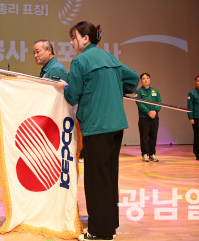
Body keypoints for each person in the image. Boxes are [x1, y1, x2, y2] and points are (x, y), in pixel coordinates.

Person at [55, 21, 139, 241]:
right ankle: (109, 224)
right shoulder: (110, 58)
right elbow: (134, 79)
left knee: (95, 180)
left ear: (85, 39)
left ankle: (99, 231)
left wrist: (63, 87)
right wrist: (116, 88)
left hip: (96, 127)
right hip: (116, 126)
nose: (72, 42)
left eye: (74, 38)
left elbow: (73, 96)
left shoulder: (80, 61)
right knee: (109, 177)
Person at [135, 72, 161, 162]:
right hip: (144, 118)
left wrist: (155, 111)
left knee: (153, 136)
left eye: (147, 78)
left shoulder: (155, 91)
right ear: (141, 81)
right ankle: (145, 154)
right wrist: (148, 112)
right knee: (144, 136)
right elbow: (139, 104)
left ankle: (152, 154)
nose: (145, 80)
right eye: (143, 78)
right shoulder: (138, 91)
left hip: (155, 117)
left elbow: (159, 102)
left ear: (150, 80)